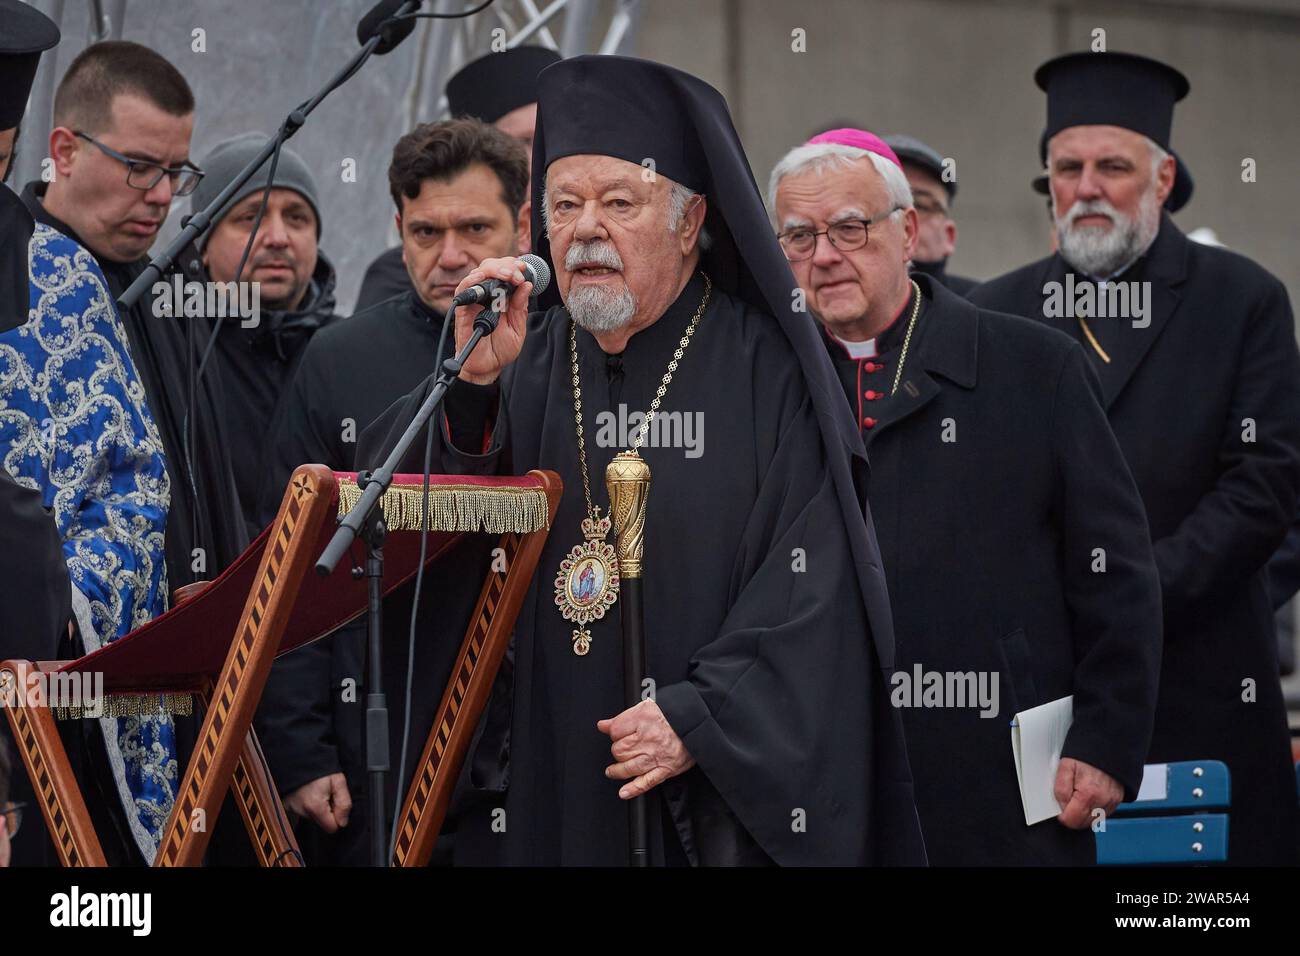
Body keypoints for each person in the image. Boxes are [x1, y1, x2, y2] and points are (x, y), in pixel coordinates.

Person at [355, 54, 926, 866]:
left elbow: (816, 578)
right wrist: (474, 393)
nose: (586, 228)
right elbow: (425, 545)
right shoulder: (521, 356)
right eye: (565, 204)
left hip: (706, 784)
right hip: (546, 765)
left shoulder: (773, 371)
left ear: (690, 223)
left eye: (619, 203)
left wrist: (703, 714)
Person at [770, 127, 1162, 865]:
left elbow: (1117, 573)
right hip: (820, 768)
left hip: (998, 766)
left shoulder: (1032, 367)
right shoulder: (768, 381)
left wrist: (1106, 741)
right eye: (798, 236)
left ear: (909, 230)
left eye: (850, 228)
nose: (824, 256)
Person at [970, 51, 1300, 865]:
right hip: (1044, 695)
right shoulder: (991, 312)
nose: (1087, 187)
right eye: (1067, 168)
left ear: (1161, 179)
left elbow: (1265, 486)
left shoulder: (1243, 301)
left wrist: (1129, 600)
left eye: (1113, 167)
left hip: (1203, 680)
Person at [252, 118, 530, 865]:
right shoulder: (340, 359)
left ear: (524, 223)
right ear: (395, 228)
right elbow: (283, 564)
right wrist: (300, 748)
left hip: (541, 735)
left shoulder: (569, 344)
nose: (450, 257)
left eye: (475, 227)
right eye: (424, 231)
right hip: (382, 732)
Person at [20, 41, 247, 591]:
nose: (163, 196)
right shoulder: (15, 280)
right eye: (140, 167)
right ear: (65, 151)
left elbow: (210, 480)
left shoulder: (176, 295)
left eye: (176, 172)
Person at [185, 134, 339, 538]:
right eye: (250, 216)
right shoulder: (172, 350)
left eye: (297, 218)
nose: (277, 237)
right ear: (201, 244)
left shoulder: (348, 351)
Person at [354, 45, 560, 311]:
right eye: (523, 142)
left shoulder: (572, 261)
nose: (541, 158)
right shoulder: (402, 279)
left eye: (549, 140)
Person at [881, 133, 978, 294]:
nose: (903, 218)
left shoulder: (983, 305)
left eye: (920, 205)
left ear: (949, 236)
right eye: (887, 202)